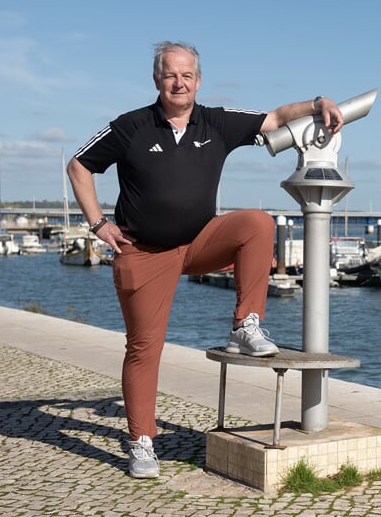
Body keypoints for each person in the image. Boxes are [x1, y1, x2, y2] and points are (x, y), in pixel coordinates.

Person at [67, 40, 343, 479]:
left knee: (256, 223)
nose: (179, 83)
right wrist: (98, 223)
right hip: (144, 251)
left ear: (198, 81)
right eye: (171, 75)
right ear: (157, 80)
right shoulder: (130, 127)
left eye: (187, 75)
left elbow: (273, 118)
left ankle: (244, 325)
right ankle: (141, 442)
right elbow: (79, 166)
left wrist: (316, 103)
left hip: (198, 243)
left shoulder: (214, 122)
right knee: (144, 349)